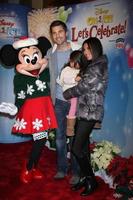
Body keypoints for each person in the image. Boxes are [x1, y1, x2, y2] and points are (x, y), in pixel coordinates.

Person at [0, 37, 58, 184]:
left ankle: (33, 167)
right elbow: (20, 96)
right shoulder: (20, 78)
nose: (32, 61)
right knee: (40, 140)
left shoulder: (45, 72)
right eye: (27, 58)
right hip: (33, 112)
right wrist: (15, 108)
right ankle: (28, 166)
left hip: (45, 108)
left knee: (42, 139)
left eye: (35, 56)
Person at [63, 37, 108, 196]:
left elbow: (84, 86)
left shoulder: (98, 66)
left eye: (88, 49)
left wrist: (67, 93)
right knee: (82, 147)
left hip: (90, 111)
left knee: (76, 147)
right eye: (84, 49)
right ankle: (85, 177)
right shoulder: (92, 65)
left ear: (96, 49)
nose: (86, 52)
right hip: (85, 110)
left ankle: (91, 180)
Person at [46, 20, 81, 184]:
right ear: (51, 35)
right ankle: (61, 169)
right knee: (59, 137)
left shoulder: (77, 50)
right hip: (58, 101)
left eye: (60, 31)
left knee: (74, 137)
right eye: (54, 32)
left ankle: (75, 171)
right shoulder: (50, 53)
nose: (57, 35)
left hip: (76, 101)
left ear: (66, 32)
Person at [56, 50, 82, 136]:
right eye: (72, 62)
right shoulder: (67, 69)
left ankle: (71, 126)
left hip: (76, 93)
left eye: (77, 63)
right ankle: (70, 127)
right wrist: (74, 79)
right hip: (68, 91)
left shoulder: (81, 71)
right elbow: (65, 80)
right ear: (69, 60)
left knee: (76, 106)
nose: (74, 65)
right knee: (74, 104)